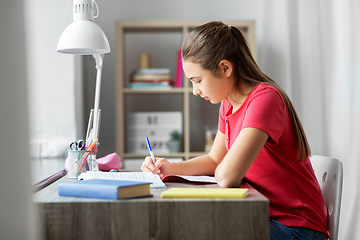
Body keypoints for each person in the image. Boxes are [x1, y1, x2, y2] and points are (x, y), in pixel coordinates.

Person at [141, 21, 328, 240]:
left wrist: (221, 169)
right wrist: (170, 167)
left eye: (198, 80)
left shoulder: (264, 99)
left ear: (225, 68)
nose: (195, 91)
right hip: (263, 215)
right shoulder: (228, 104)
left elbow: (227, 176)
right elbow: (214, 160)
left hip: (296, 226)